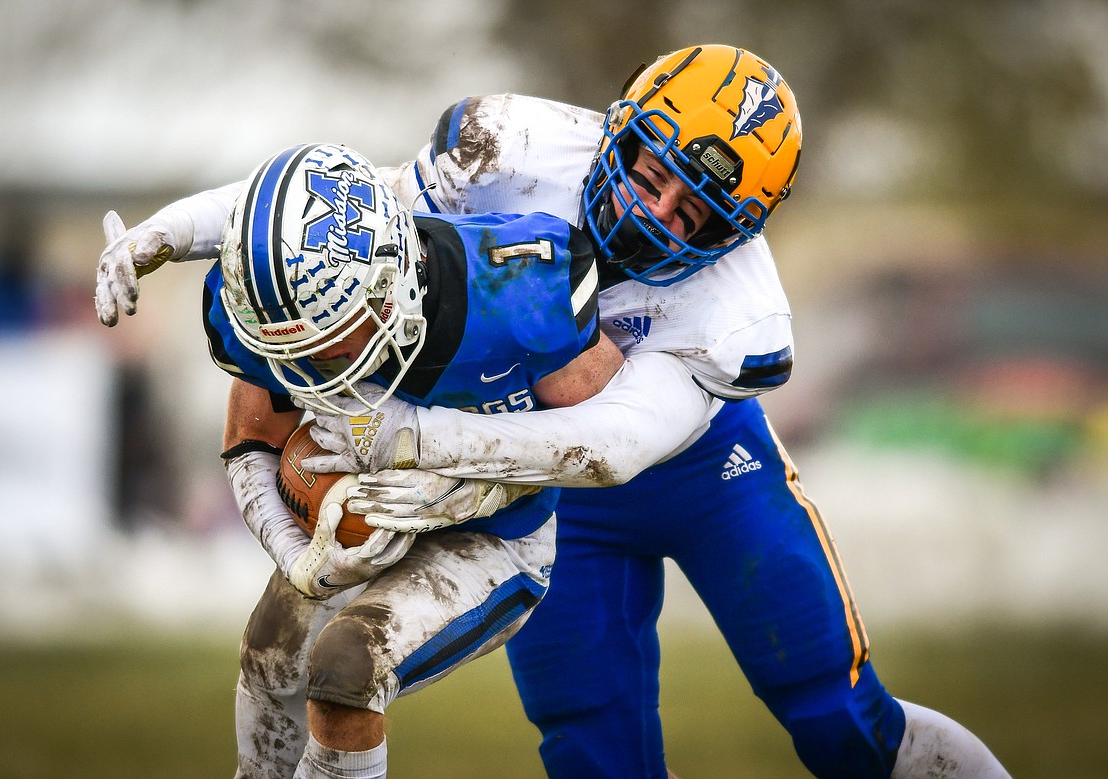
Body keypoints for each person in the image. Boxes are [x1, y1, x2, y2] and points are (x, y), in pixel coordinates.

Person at [95, 45, 1010, 778]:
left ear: (735, 232)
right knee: (594, 749)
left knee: (842, 724)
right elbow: (346, 216)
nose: (655, 213)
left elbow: (605, 444)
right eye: (651, 172)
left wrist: (417, 438)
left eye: (692, 213)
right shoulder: (510, 147)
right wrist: (163, 234)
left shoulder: (742, 316)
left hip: (698, 471)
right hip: (541, 488)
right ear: (618, 126)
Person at [103, 140, 623, 778]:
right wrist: (298, 556)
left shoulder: (513, 288)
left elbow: (605, 440)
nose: (312, 369)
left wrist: (475, 485)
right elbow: (250, 442)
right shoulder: (270, 309)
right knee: (269, 654)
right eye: (292, 351)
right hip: (353, 522)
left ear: (392, 278)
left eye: (331, 336)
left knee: (349, 667)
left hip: (494, 536)